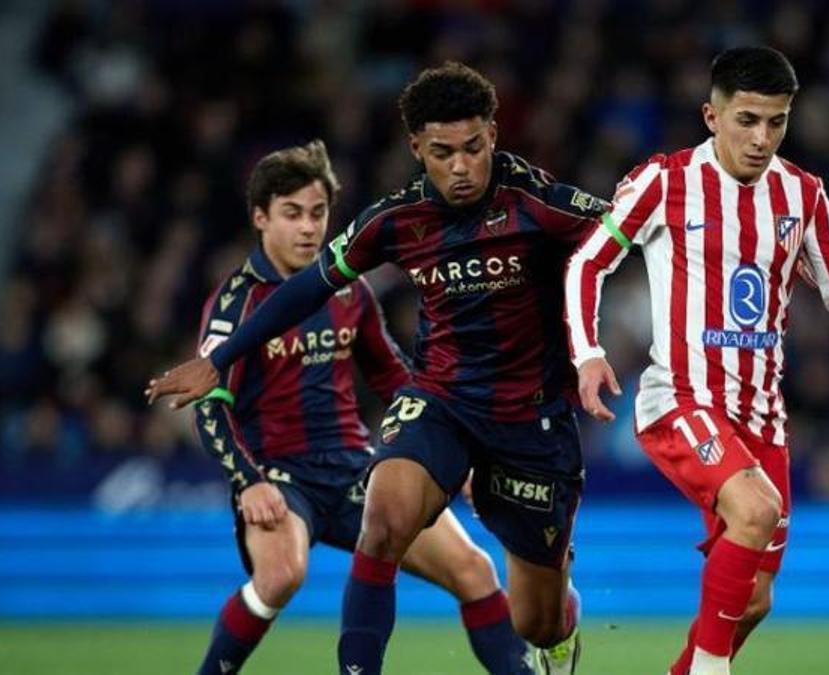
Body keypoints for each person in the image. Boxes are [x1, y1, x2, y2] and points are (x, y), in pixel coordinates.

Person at [148, 63, 605, 675]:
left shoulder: (539, 202)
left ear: (494, 135)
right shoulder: (393, 220)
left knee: (535, 617)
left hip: (531, 420)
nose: (462, 167)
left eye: (473, 147)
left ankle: (554, 637)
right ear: (417, 148)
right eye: (443, 153)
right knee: (383, 520)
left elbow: (641, 235)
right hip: (439, 403)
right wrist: (219, 361)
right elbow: (309, 288)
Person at [565, 47, 829, 675]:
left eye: (777, 121)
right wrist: (588, 353)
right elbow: (589, 262)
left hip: (763, 417)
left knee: (753, 600)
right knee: (755, 510)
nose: (762, 137)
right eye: (747, 119)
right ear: (711, 116)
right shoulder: (664, 181)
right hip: (681, 400)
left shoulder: (803, 193)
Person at [190, 140, 534, 674]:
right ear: (260, 218)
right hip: (279, 476)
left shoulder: (346, 293)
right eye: (292, 214)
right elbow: (209, 406)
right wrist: (248, 482)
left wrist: (448, 450)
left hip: (352, 467)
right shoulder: (236, 304)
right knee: (280, 575)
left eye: (318, 213)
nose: (308, 228)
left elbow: (395, 377)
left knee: (474, 571)